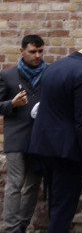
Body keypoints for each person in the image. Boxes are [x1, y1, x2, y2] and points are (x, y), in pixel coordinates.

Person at [28, 30, 82, 233]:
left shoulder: (55, 67)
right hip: (67, 152)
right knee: (62, 212)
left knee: (55, 208)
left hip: (44, 147)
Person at [0, 35, 46, 233]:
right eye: (32, 52)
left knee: (33, 184)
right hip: (16, 138)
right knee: (15, 184)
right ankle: (10, 228)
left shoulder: (50, 73)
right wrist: (12, 104)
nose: (37, 56)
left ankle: (22, 226)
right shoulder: (8, 75)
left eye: (40, 51)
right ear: (22, 51)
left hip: (40, 139)